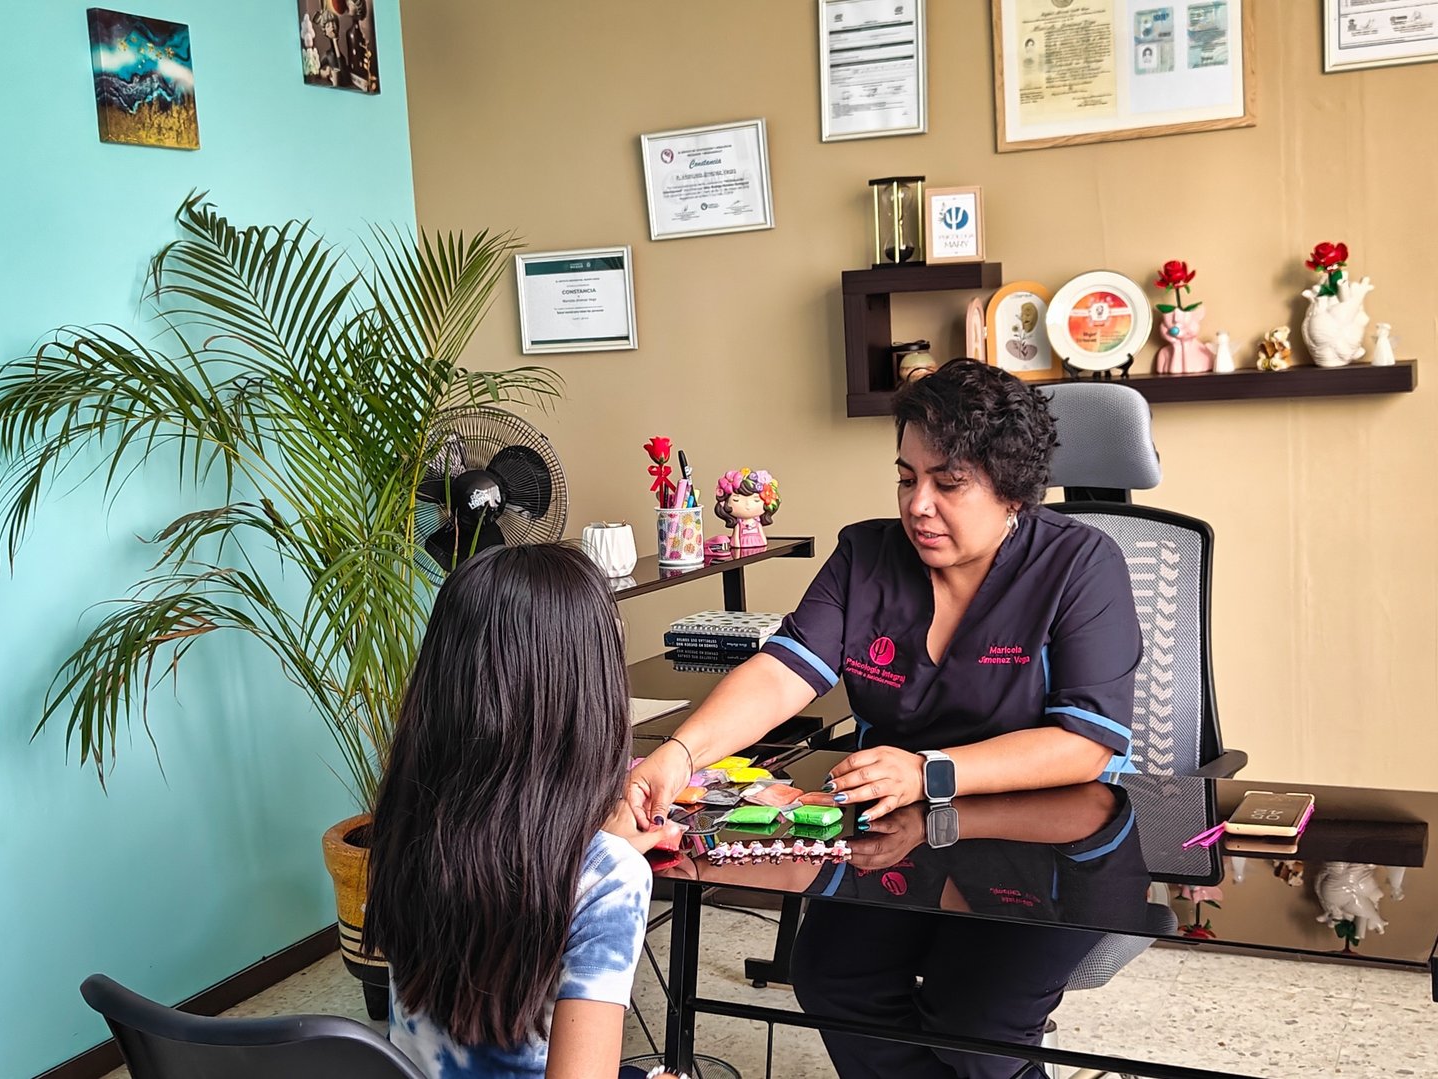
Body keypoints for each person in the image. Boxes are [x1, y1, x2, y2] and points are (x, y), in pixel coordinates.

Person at [628, 360, 1141, 1077]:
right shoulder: (865, 555)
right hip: (899, 835)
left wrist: (930, 769)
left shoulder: (1081, 564)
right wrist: (680, 753)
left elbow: (1086, 741)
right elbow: (782, 672)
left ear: (1013, 489)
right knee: (836, 980)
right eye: (906, 477)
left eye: (948, 481)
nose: (918, 503)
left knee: (975, 1018)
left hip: (1047, 837)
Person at [364, 544, 685, 1079]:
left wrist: (589, 853)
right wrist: (603, 871)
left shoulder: (408, 824)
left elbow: (506, 844)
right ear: (591, 696)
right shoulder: (610, 878)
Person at [713, 467, 781, 549]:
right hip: (742, 542)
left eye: (756, 500)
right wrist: (736, 545)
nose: (747, 505)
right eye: (736, 500)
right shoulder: (739, 524)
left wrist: (764, 542)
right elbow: (736, 537)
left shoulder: (757, 523)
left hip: (758, 542)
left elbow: (762, 535)